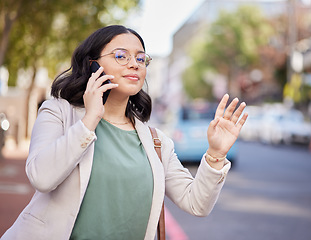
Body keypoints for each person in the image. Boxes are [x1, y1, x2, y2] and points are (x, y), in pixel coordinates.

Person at [1, 25, 248, 240]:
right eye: (121, 56)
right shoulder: (58, 112)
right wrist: (89, 120)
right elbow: (41, 177)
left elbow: (197, 203)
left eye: (141, 59)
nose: (134, 64)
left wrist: (216, 153)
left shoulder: (156, 141)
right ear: (93, 64)